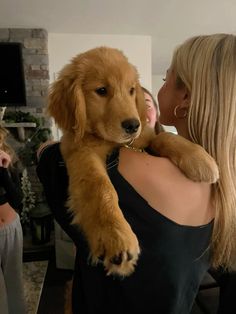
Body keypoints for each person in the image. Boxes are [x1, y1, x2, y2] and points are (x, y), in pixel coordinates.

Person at [36, 33, 235, 313]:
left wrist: (48, 149)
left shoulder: (119, 169)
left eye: (165, 80)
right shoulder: (224, 183)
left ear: (185, 96)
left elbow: (50, 161)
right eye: (103, 92)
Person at [0, 126, 26, 314]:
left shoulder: (7, 159)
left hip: (11, 227)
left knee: (14, 279)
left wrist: (3, 170)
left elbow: (17, 199)